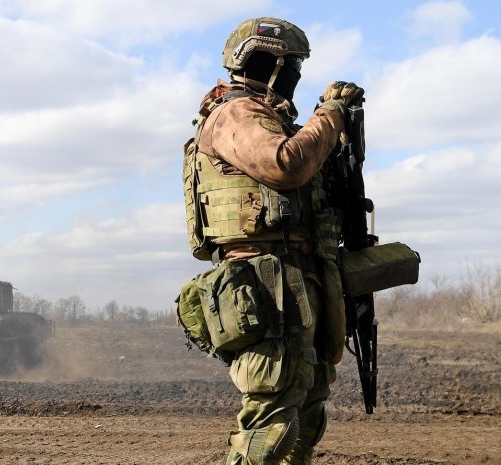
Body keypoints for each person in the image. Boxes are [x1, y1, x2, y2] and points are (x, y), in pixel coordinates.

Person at [181, 17, 363, 464]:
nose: (297, 78)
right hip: (263, 284)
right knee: (272, 422)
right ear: (273, 65)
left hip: (300, 277)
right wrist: (330, 116)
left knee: (306, 412)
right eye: (294, 67)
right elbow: (285, 164)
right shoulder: (236, 113)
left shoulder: (274, 119)